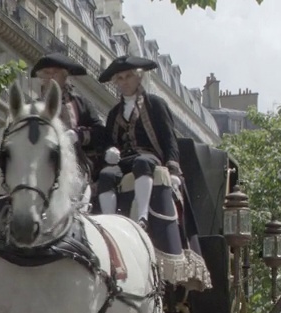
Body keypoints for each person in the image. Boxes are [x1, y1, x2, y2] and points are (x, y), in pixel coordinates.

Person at [95, 55, 182, 227]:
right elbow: (108, 141)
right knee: (106, 176)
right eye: (120, 78)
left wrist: (173, 171)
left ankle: (142, 218)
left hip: (149, 157)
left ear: (138, 76)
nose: (124, 82)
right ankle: (110, 225)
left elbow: (169, 138)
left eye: (128, 76)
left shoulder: (155, 104)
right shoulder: (114, 113)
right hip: (124, 160)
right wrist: (110, 151)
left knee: (142, 162)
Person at [31, 53, 108, 187]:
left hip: (78, 165)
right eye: (46, 73)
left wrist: (79, 135)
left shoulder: (82, 104)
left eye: (55, 73)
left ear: (65, 76)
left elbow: (101, 133)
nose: (50, 77)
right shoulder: (33, 107)